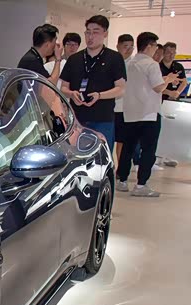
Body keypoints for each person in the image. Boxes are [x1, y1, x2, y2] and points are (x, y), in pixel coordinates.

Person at [116, 32, 179, 198]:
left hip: (130, 112)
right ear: (150, 45)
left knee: (128, 148)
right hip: (149, 113)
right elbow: (158, 87)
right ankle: (141, 184)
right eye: (155, 46)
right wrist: (168, 80)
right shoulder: (151, 64)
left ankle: (122, 180)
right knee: (148, 150)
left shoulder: (130, 63)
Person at [59, 15, 127, 151]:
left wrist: (100, 95)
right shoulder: (74, 59)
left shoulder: (114, 58)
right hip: (77, 119)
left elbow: (120, 89)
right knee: (75, 155)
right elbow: (63, 88)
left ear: (105, 34)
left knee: (101, 155)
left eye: (95, 32)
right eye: (88, 32)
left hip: (103, 119)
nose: (90, 37)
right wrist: (71, 94)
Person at [114, 34, 135, 163]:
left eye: (131, 47)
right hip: (110, 108)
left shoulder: (134, 65)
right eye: (125, 46)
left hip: (126, 109)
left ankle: (120, 168)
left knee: (123, 141)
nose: (129, 49)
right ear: (118, 46)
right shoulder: (112, 61)